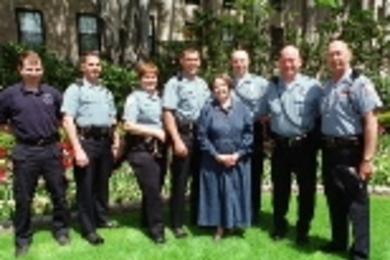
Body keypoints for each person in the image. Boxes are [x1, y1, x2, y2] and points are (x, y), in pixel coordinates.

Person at [0, 51, 70, 257]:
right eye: (29, 69)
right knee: (23, 198)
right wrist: (22, 134)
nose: (33, 72)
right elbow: (3, 123)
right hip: (25, 151)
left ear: (42, 69)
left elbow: (62, 119)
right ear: (20, 70)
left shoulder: (53, 93)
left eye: (37, 68)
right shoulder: (8, 95)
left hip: (51, 149)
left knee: (59, 194)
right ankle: (22, 238)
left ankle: (61, 230)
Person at [320, 40, 382, 260]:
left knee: (356, 203)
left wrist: (367, 159)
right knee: (334, 199)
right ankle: (338, 241)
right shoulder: (327, 86)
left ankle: (360, 252)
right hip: (330, 151)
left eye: (339, 53)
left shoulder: (359, 83)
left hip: (351, 150)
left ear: (349, 55)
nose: (334, 58)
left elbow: (371, 122)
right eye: (331, 54)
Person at [258, 46, 322, 244]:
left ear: (300, 62)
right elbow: (262, 115)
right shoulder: (271, 87)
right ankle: (279, 226)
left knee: (306, 190)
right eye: (285, 60)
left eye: (292, 60)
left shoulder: (313, 87)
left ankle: (303, 228)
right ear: (279, 62)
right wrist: (267, 138)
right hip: (281, 146)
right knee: (280, 190)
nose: (288, 64)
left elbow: (322, 115)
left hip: (305, 146)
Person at [61, 51, 120, 245]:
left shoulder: (105, 91)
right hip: (85, 141)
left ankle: (101, 219)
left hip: (104, 142)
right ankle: (88, 229)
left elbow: (113, 119)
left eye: (98, 65)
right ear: (83, 67)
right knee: (85, 186)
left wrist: (116, 141)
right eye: (91, 65)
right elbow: (68, 120)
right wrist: (77, 149)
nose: (95, 68)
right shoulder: (74, 89)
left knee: (102, 183)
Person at [197, 74, 253, 240]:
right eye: (216, 86)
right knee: (218, 193)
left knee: (235, 191)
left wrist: (238, 154)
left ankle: (234, 223)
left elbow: (249, 134)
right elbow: (202, 136)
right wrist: (216, 155)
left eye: (223, 85)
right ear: (212, 90)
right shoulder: (207, 109)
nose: (220, 89)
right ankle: (220, 228)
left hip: (237, 159)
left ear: (230, 87)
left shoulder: (242, 108)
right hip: (215, 160)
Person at [162, 48, 210, 237]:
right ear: (181, 61)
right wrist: (176, 140)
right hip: (184, 135)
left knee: (200, 179)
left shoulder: (203, 84)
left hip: (202, 135)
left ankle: (198, 218)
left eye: (196, 59)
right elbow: (168, 112)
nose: (193, 63)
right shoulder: (174, 84)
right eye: (189, 59)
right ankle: (177, 223)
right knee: (180, 181)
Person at [123, 62, 167, 243]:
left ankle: (145, 220)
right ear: (140, 79)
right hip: (141, 149)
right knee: (152, 189)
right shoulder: (134, 98)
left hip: (160, 149)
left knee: (154, 186)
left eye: (153, 77)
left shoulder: (160, 98)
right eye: (146, 77)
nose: (150, 80)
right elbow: (128, 125)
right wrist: (154, 131)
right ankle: (157, 230)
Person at [230, 50, 269, 223]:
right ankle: (234, 210)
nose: (239, 64)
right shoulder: (226, 82)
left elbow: (272, 105)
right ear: (231, 63)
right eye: (236, 61)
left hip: (254, 130)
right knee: (233, 171)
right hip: (230, 132)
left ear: (249, 62)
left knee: (254, 172)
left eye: (243, 61)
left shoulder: (261, 83)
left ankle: (253, 212)